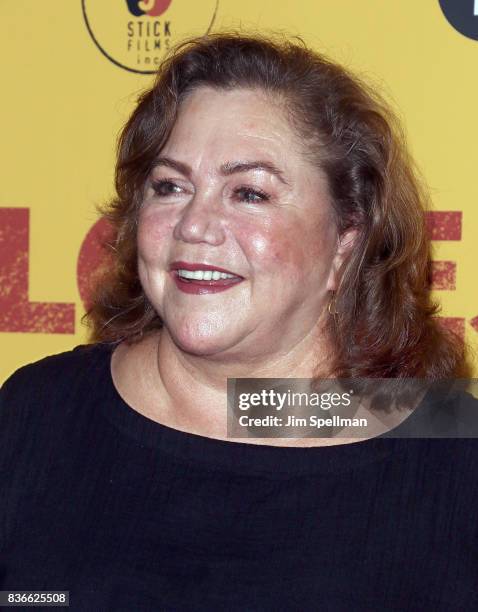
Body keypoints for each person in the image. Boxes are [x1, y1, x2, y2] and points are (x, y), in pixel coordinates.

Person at [1, 31, 477, 611]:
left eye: (248, 193)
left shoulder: (456, 451)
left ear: (345, 245)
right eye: (170, 186)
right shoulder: (36, 413)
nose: (194, 225)